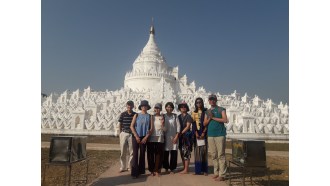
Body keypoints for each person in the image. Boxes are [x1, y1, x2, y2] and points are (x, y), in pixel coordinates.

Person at [204, 94, 228, 181]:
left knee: (221, 154)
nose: (212, 101)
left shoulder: (221, 109)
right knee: (214, 155)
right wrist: (210, 118)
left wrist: (213, 117)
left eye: (213, 99)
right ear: (209, 101)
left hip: (220, 134)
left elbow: (225, 120)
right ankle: (216, 172)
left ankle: (222, 174)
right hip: (210, 134)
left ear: (216, 100)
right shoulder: (207, 111)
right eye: (210, 99)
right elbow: (204, 123)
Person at [130, 100, 152, 178]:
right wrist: (136, 136)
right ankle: (134, 173)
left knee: (142, 154)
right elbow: (132, 126)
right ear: (141, 107)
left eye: (145, 106)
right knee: (135, 154)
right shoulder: (136, 115)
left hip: (144, 137)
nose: (144, 107)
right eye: (142, 106)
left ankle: (141, 170)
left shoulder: (150, 116)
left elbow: (151, 128)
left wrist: (146, 137)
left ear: (147, 107)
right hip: (136, 136)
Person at [147, 103, 165, 177]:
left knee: (158, 154)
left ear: (160, 109)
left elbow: (165, 129)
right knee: (150, 154)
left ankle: (157, 170)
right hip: (151, 137)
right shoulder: (151, 117)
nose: (157, 109)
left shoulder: (163, 117)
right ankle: (151, 170)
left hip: (159, 137)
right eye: (156, 108)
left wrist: (163, 124)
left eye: (158, 108)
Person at [191, 97, 208, 176]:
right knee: (197, 152)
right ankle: (198, 171)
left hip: (204, 132)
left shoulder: (206, 111)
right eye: (197, 102)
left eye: (200, 102)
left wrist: (204, 132)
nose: (198, 104)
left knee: (204, 152)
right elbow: (193, 124)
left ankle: (205, 170)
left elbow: (207, 123)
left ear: (202, 103)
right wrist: (195, 133)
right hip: (197, 133)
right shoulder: (194, 113)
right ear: (195, 103)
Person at [118, 100, 136, 173]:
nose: (129, 106)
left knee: (131, 151)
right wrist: (120, 133)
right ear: (126, 106)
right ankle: (123, 166)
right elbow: (120, 124)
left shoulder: (135, 114)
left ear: (133, 106)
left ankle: (130, 166)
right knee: (123, 151)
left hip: (131, 134)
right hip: (124, 133)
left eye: (131, 105)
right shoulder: (123, 114)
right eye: (128, 105)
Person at [162, 102, 180, 174]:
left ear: (172, 108)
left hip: (174, 136)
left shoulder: (175, 116)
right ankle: (166, 167)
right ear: (165, 108)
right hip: (166, 136)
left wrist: (176, 136)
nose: (169, 108)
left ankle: (172, 168)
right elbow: (162, 127)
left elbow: (178, 126)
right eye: (168, 107)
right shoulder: (163, 116)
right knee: (165, 153)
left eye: (170, 107)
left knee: (174, 152)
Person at [177, 101, 194, 174]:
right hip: (180, 136)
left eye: (184, 107)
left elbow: (188, 127)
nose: (183, 108)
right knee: (181, 152)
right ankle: (184, 168)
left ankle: (186, 169)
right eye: (181, 107)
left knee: (186, 152)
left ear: (186, 108)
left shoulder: (188, 116)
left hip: (186, 136)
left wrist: (180, 133)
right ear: (180, 109)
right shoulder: (178, 116)